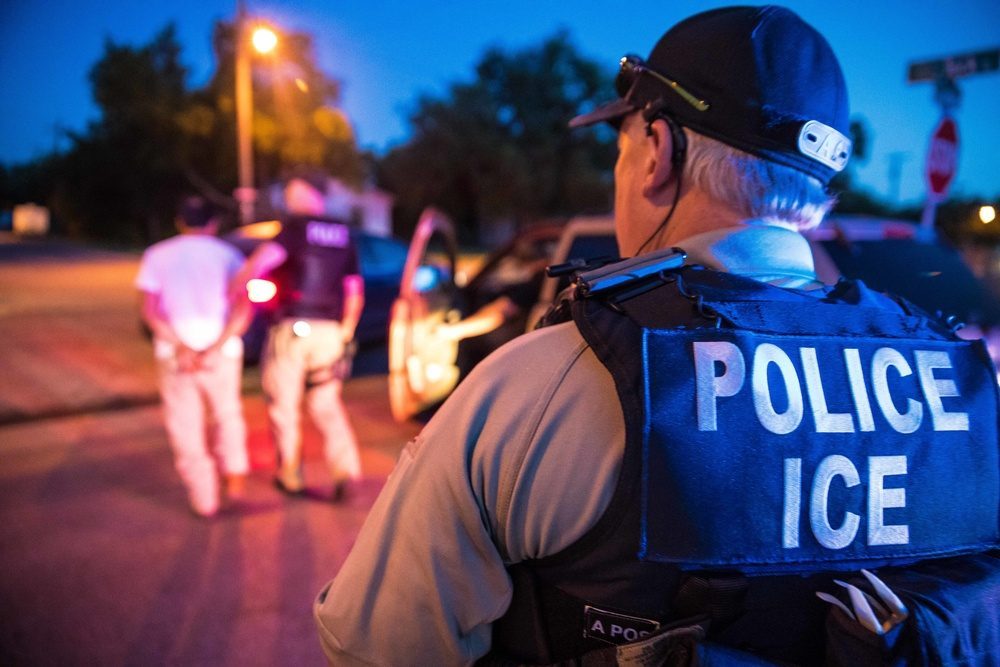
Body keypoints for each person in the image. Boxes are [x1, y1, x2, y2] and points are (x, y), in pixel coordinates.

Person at [314, 6, 998, 665]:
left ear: (657, 152)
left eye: (621, 145)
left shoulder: (544, 384)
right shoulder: (959, 387)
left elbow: (373, 643)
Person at [237, 174, 365, 499]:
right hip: (331, 333)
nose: (288, 199)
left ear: (310, 193)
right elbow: (354, 290)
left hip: (292, 331)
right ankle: (344, 469)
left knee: (284, 405)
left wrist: (237, 284)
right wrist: (346, 333)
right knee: (326, 403)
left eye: (292, 192)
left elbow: (263, 261)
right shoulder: (343, 234)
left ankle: (290, 473)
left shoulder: (295, 229)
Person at [136, 196, 251, 518]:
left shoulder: (157, 255)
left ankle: (205, 498)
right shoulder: (230, 256)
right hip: (222, 351)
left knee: (185, 423)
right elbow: (244, 308)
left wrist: (182, 346)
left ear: (180, 221)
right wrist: (214, 347)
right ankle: (236, 479)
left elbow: (150, 310)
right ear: (213, 223)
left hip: (176, 353)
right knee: (228, 413)